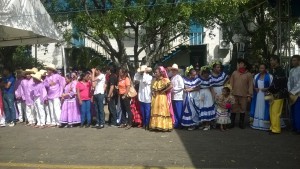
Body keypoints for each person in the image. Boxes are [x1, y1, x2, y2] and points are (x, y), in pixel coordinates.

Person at [230, 58, 253, 129]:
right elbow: (231, 84)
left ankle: (241, 123)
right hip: (234, 94)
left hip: (244, 95)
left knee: (243, 109)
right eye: (239, 63)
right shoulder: (234, 73)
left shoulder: (248, 75)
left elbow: (250, 85)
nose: (239, 65)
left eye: (241, 63)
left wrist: (249, 95)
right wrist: (230, 93)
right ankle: (232, 122)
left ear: (245, 65)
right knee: (233, 108)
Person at [150, 66, 174, 131]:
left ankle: (163, 126)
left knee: (162, 110)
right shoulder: (155, 81)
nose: (155, 73)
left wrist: (164, 90)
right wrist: (153, 92)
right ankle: (156, 125)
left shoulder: (164, 79)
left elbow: (171, 86)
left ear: (160, 73)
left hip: (162, 97)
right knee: (156, 110)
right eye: (155, 72)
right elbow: (153, 88)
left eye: (156, 72)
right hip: (156, 97)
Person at [250, 63, 273, 131]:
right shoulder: (256, 76)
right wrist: (255, 88)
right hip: (258, 95)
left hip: (266, 95)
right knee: (258, 107)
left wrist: (267, 88)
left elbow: (272, 85)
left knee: (265, 107)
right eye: (260, 68)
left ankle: (265, 124)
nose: (261, 69)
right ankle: (257, 124)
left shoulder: (270, 76)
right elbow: (253, 84)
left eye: (263, 68)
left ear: (265, 69)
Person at [268, 55, 288, 134]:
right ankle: (272, 127)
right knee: (272, 111)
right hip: (273, 93)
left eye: (272, 60)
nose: (271, 62)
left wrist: (270, 89)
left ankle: (276, 129)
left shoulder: (280, 71)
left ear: (276, 60)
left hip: (279, 93)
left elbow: (277, 83)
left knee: (276, 112)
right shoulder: (274, 70)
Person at [182, 66, 201, 130]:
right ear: (189, 74)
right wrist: (186, 90)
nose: (194, 76)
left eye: (195, 75)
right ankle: (189, 124)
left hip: (195, 96)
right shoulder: (184, 79)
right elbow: (184, 87)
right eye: (193, 75)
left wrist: (190, 89)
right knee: (188, 110)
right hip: (187, 96)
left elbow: (198, 87)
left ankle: (195, 124)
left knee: (195, 110)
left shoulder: (197, 79)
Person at [134, 65, 153, 130]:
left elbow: (145, 81)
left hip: (147, 97)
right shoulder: (141, 77)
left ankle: (147, 124)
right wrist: (138, 72)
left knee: (147, 111)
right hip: (141, 96)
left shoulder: (150, 77)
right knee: (142, 111)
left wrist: (144, 72)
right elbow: (135, 79)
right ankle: (144, 123)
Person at [198, 66, 215, 130]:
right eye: (205, 73)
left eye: (208, 73)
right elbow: (198, 87)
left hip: (208, 93)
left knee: (207, 108)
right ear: (202, 73)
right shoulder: (199, 79)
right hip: (201, 93)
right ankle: (203, 124)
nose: (207, 74)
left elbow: (211, 88)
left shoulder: (210, 79)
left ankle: (208, 125)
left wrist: (214, 96)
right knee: (202, 108)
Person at [169, 64, 185, 129]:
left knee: (179, 111)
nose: (173, 71)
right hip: (173, 97)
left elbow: (181, 87)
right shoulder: (172, 77)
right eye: (172, 70)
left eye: (174, 70)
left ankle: (180, 124)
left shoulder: (179, 77)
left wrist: (173, 90)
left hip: (178, 97)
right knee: (175, 111)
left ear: (177, 71)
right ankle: (176, 123)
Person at [288, 55, 300, 133]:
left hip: (298, 93)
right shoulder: (291, 70)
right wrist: (289, 90)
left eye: (295, 60)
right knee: (292, 110)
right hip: (292, 93)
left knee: (297, 111)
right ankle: (294, 126)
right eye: (292, 60)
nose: (293, 62)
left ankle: (298, 128)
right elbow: (289, 81)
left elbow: (299, 83)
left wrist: (293, 91)